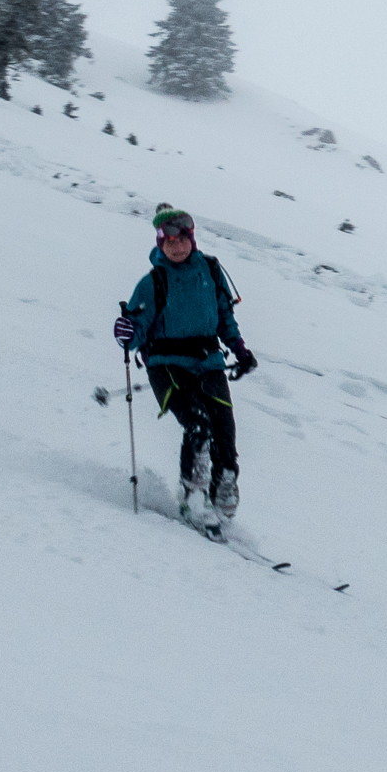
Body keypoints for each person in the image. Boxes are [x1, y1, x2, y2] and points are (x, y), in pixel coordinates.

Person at [115, 204, 257, 532]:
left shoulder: (209, 269)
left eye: (183, 239)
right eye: (170, 241)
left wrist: (239, 349)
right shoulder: (153, 282)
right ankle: (193, 499)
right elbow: (135, 331)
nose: (177, 247)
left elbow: (224, 315)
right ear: (160, 243)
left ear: (192, 238)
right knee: (198, 427)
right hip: (167, 366)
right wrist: (126, 334)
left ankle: (221, 495)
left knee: (225, 438)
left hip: (209, 362)